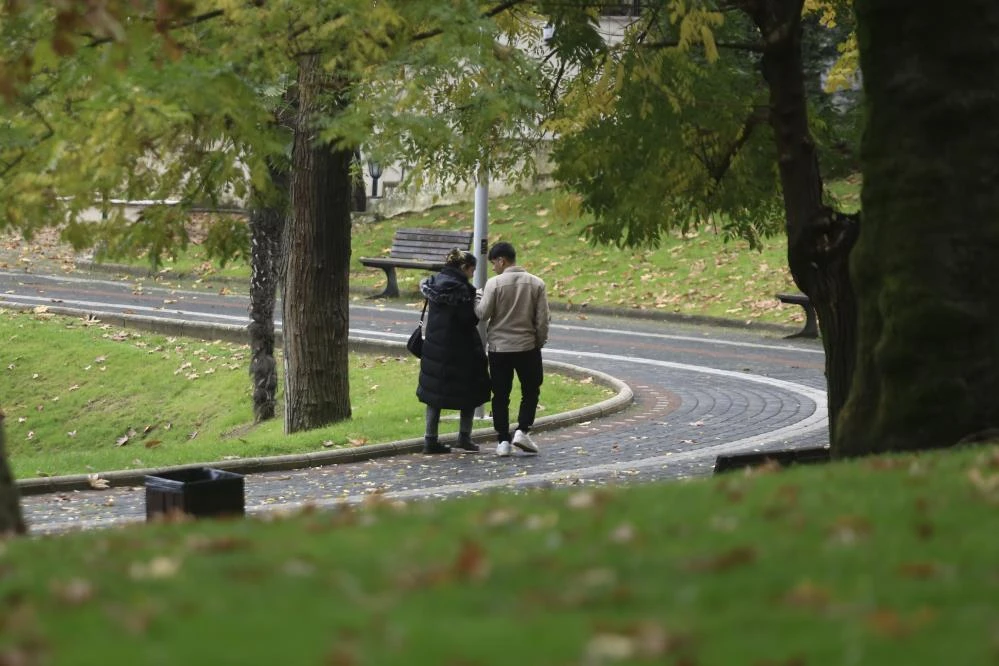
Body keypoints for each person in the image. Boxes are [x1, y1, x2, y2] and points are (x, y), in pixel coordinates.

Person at [475, 241, 550, 457]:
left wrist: (477, 298)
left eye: (494, 263)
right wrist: (539, 342)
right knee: (530, 390)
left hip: (500, 348)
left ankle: (502, 441)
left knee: (500, 394)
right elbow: (542, 320)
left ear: (502, 260)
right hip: (528, 347)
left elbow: (483, 314)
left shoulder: (494, 284)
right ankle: (523, 430)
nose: (493, 268)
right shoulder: (537, 283)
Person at [416, 248, 491, 454]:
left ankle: (430, 440)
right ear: (464, 267)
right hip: (461, 348)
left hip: (435, 347)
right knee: (469, 390)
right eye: (472, 270)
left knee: (434, 394)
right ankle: (464, 437)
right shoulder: (463, 290)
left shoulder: (434, 283)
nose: (472, 274)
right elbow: (469, 319)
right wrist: (477, 300)